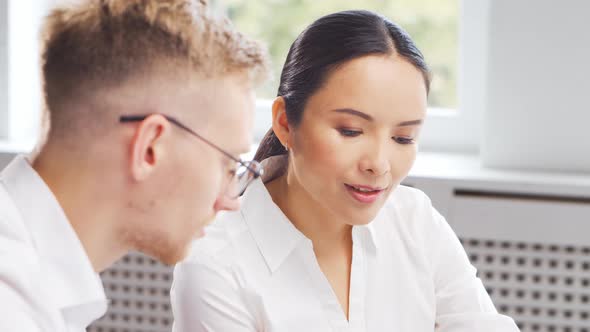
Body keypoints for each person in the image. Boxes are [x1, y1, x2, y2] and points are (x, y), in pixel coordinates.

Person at [171, 9, 520, 331]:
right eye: (351, 131)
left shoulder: (415, 220)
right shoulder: (214, 263)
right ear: (285, 123)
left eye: (403, 137)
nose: (379, 164)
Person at [0, 0, 268, 331]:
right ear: (150, 148)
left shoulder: (29, 276)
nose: (231, 200)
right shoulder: (11, 307)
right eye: (228, 164)